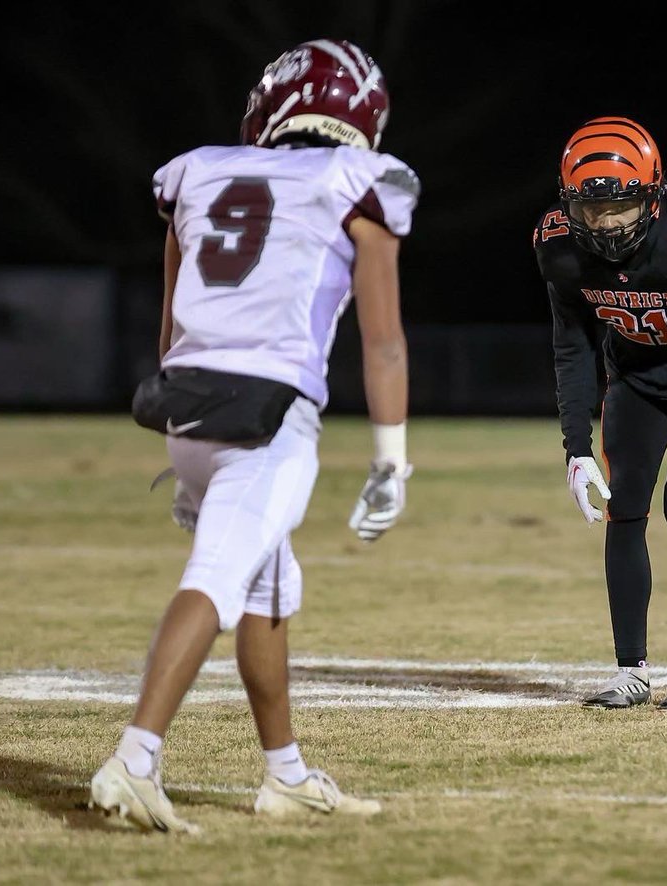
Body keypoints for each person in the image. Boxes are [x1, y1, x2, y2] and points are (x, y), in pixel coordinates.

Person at [88, 38, 419, 833]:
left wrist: (190, 451)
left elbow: (174, 323)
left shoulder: (197, 171)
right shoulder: (358, 183)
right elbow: (384, 342)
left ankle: (286, 775)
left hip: (187, 406)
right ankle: (134, 761)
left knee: (268, 591)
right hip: (270, 413)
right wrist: (391, 462)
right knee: (217, 580)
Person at [532, 117, 667, 713]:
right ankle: (631, 670)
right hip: (631, 380)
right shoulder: (559, 248)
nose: (604, 224)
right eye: (590, 209)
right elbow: (572, 348)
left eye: (620, 206)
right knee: (622, 510)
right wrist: (575, 446)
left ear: (654, 196)